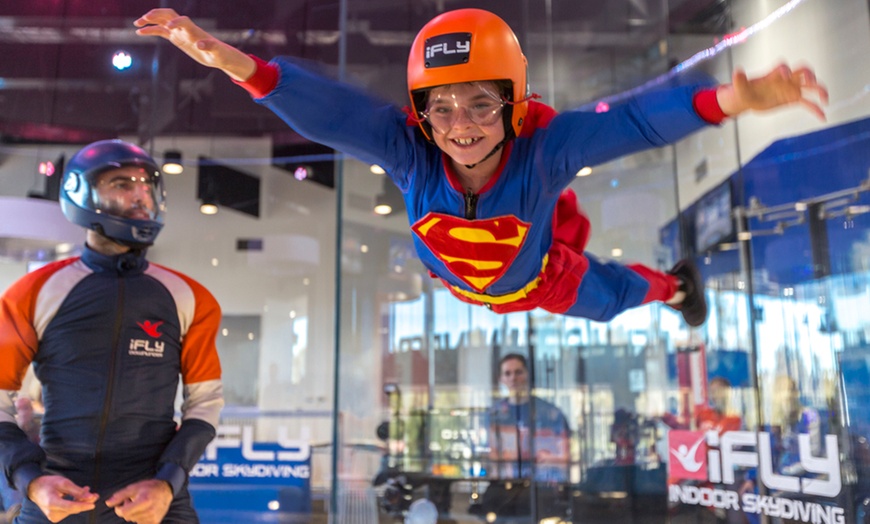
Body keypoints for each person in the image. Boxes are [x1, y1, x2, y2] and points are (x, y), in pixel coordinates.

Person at [134, 8, 828, 328]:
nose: (460, 126)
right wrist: (225, 58)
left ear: (514, 106)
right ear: (420, 113)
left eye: (480, 106)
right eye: (442, 109)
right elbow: (329, 111)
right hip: (459, 283)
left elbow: (635, 123)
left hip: (539, 281)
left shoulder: (544, 151)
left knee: (613, 300)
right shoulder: (409, 148)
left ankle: (677, 289)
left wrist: (734, 98)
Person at [0, 140, 225, 524]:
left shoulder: (190, 297)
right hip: (56, 498)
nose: (140, 195)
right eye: (122, 184)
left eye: (145, 186)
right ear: (81, 193)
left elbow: (205, 402)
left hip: (155, 500)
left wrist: (168, 483)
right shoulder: (34, 293)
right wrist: (32, 482)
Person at [476, 353, 569, 522]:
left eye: (518, 372)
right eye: (508, 373)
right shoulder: (493, 415)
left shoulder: (549, 413)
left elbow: (564, 458)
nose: (513, 378)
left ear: (527, 374)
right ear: (501, 379)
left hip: (539, 492)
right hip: (502, 493)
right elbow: (488, 455)